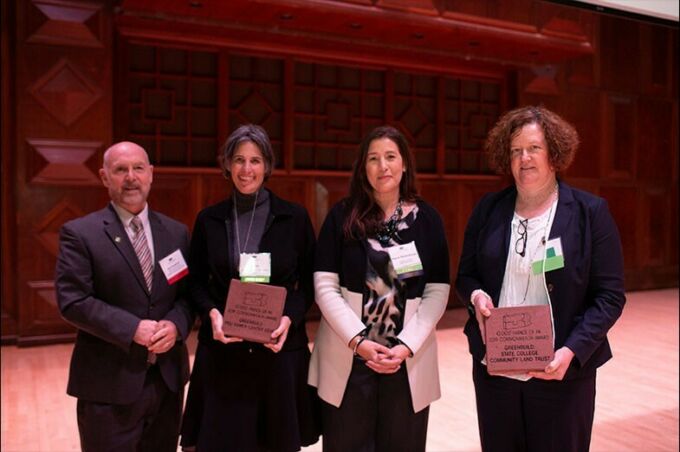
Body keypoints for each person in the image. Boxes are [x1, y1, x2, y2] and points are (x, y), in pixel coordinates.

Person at [456, 105, 626, 452]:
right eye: (516, 150)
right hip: (496, 371)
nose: (524, 158)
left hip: (560, 371)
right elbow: (466, 275)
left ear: (554, 153)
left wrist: (572, 351)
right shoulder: (488, 209)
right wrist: (476, 298)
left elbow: (609, 297)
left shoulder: (589, 213)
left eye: (534, 148)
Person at [309, 125, 451, 451]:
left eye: (390, 157)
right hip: (349, 357)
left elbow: (437, 290)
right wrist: (357, 340)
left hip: (406, 360)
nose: (382, 166)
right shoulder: (342, 216)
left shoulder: (428, 220)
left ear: (404, 165)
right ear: (363, 167)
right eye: (373, 158)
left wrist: (405, 345)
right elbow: (325, 285)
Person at [179, 124, 320, 452]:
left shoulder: (294, 218)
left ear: (267, 166)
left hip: (279, 352)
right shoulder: (209, 220)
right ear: (226, 165)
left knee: (278, 442)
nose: (246, 169)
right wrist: (211, 313)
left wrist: (289, 319)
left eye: (255, 160)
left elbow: (309, 284)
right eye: (238, 159)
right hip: (223, 352)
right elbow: (196, 282)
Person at [55, 141, 194, 452]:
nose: (131, 177)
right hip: (108, 385)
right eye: (120, 170)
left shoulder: (177, 232)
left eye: (138, 168)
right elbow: (73, 300)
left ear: (151, 174)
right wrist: (133, 329)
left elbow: (187, 297)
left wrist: (175, 325)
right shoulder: (80, 234)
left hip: (167, 382)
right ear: (105, 177)